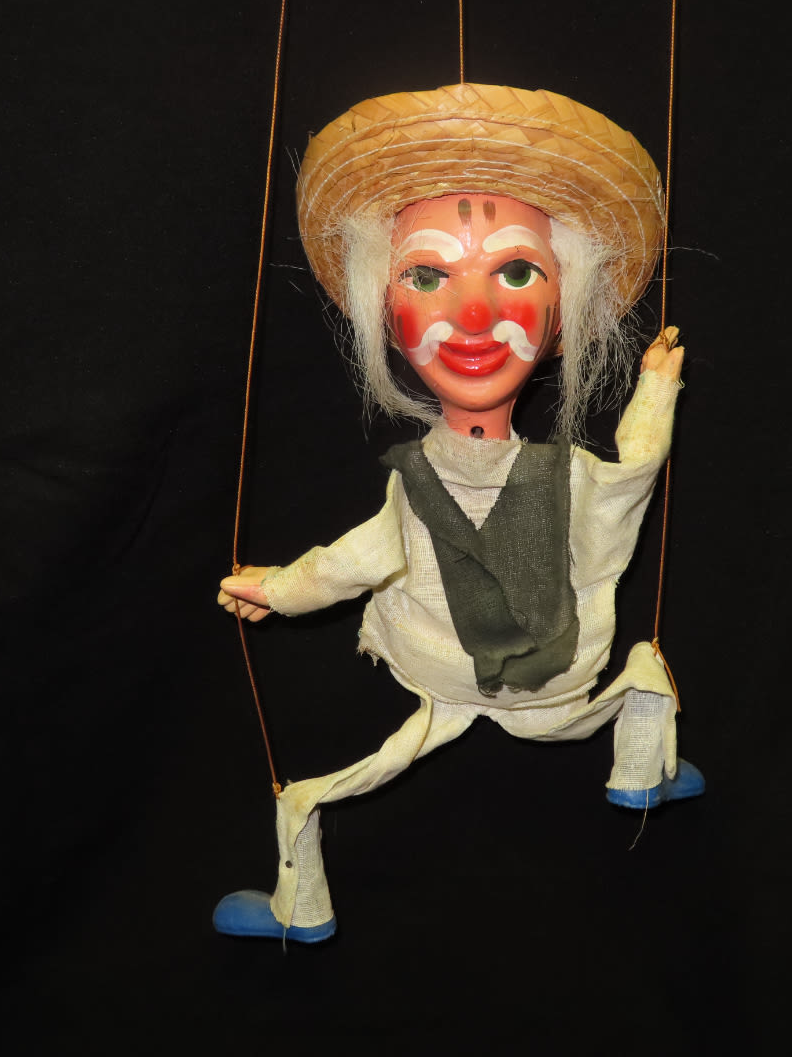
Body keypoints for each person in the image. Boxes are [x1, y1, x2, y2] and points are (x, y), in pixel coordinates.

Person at [212, 84, 704, 942]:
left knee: (308, 794)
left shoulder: (494, 481)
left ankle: (303, 905)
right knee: (646, 672)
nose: (474, 316)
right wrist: (656, 394)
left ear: (560, 315)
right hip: (535, 686)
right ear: (387, 311)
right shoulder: (460, 483)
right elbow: (632, 474)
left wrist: (278, 590)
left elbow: (352, 563)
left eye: (515, 271)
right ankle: (637, 766)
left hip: (470, 683)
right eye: (428, 275)